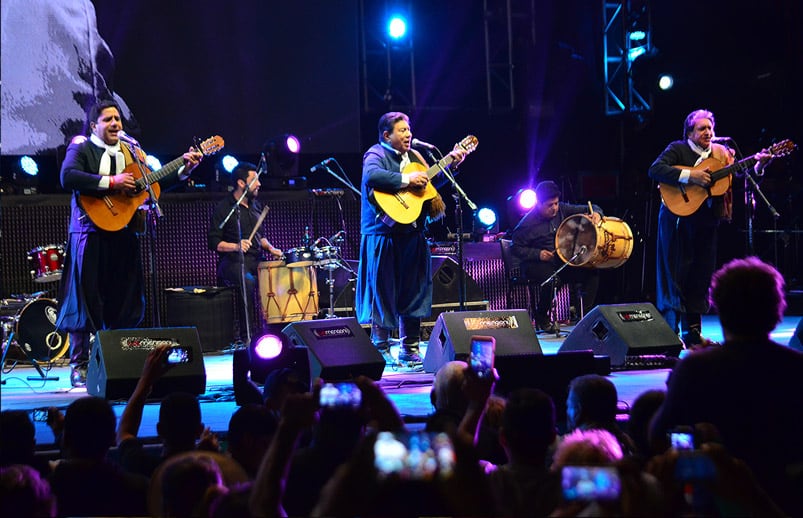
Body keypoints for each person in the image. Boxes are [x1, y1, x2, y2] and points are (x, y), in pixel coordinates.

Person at [55, 99, 202, 387]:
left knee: (125, 297)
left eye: (118, 119)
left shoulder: (131, 150)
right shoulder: (82, 145)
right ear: (94, 124)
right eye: (108, 119)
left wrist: (184, 169)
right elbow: (68, 176)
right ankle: (80, 364)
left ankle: (116, 359)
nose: (114, 124)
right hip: (89, 233)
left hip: (125, 233)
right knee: (88, 299)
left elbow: (152, 182)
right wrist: (112, 183)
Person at [649, 256, 803, 515]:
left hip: (715, 498)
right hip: (788, 496)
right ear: (777, 309)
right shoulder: (796, 366)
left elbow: (657, 436)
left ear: (718, 306)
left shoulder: (697, 367)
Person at [647, 108, 772, 345]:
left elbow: (741, 180)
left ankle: (692, 334)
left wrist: (759, 166)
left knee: (699, 275)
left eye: (710, 127)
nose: (708, 132)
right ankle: (669, 335)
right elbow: (655, 170)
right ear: (689, 133)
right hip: (677, 219)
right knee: (675, 275)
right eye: (702, 128)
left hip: (706, 222)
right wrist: (691, 177)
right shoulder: (677, 149)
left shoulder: (722, 154)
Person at [356, 112, 465, 368]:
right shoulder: (376, 154)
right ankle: (380, 348)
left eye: (408, 129)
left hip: (412, 234)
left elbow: (427, 182)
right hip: (383, 235)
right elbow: (372, 177)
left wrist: (452, 163)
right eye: (402, 130)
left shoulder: (415, 157)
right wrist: (407, 179)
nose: (408, 134)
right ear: (387, 135)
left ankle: (410, 349)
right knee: (383, 291)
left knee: (415, 290)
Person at [509, 180, 603, 332]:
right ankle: (541, 315)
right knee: (553, 280)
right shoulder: (526, 224)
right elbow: (515, 248)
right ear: (538, 204)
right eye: (549, 205)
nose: (554, 208)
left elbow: (592, 207)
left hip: (560, 261)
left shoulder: (562, 210)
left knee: (591, 272)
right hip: (536, 263)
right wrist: (538, 254)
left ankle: (584, 316)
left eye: (556, 203)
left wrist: (597, 214)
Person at [208, 162, 283, 342]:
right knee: (247, 282)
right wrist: (236, 245)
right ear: (242, 183)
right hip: (232, 262)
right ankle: (248, 336)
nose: (259, 184)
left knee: (277, 276)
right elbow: (213, 242)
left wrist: (272, 249)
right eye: (254, 180)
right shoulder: (224, 208)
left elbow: (261, 238)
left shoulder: (256, 206)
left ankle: (276, 332)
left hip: (256, 258)